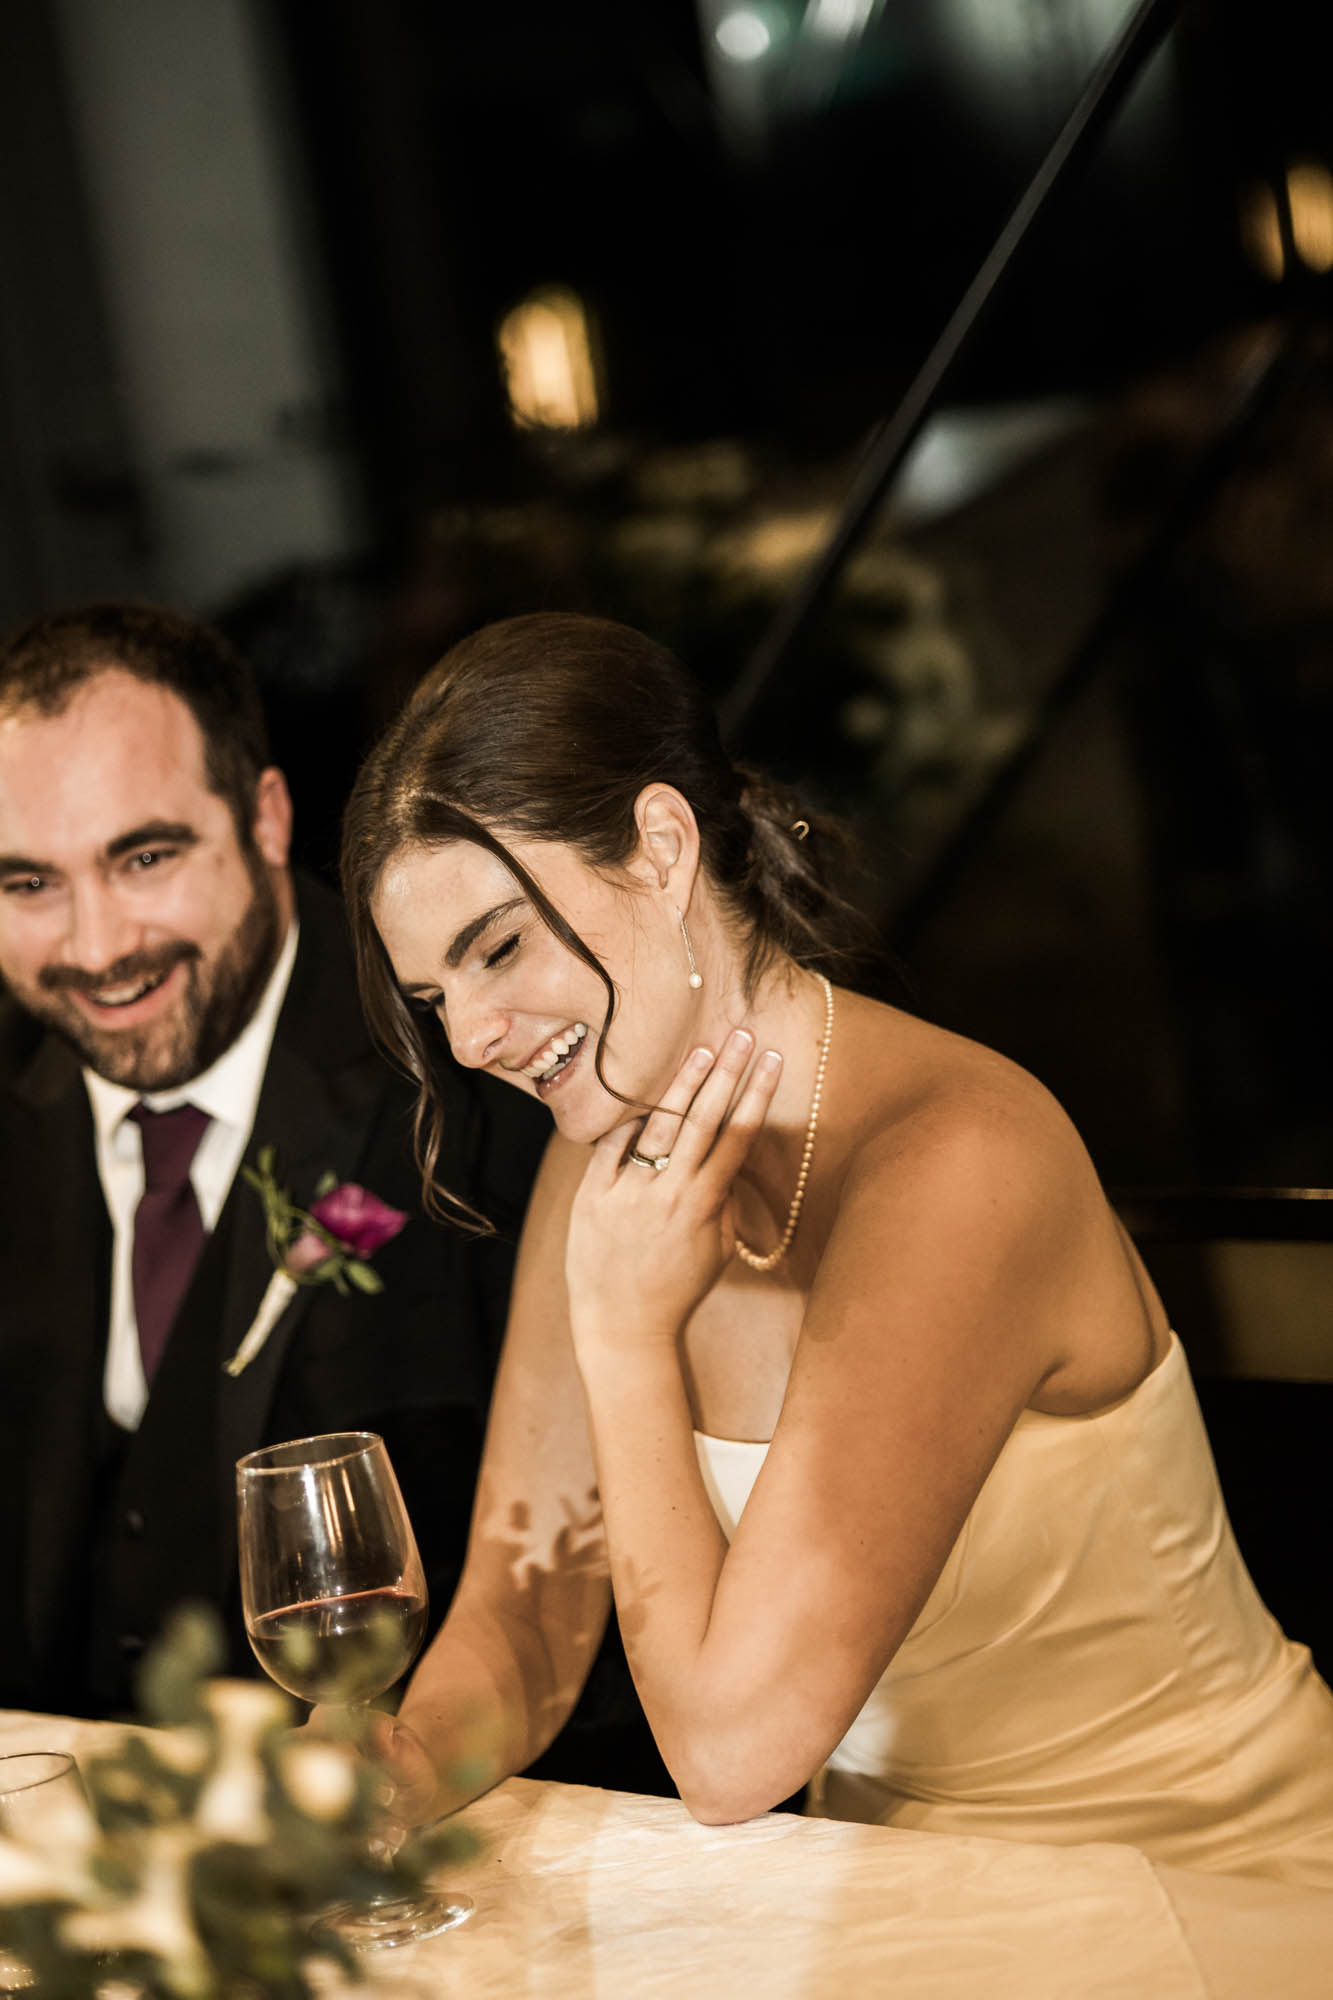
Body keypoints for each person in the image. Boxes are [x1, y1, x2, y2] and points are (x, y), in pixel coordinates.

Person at [340, 609, 1333, 1888]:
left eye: (499, 947)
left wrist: (627, 1333)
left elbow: (731, 1752)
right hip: (881, 1889)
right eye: (434, 997)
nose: (470, 1036)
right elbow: (529, 1612)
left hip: (1190, 1881)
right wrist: (398, 1766)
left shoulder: (959, 1161)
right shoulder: (602, 1171)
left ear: (659, 845)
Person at [0, 600, 555, 1725]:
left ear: (264, 814)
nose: (96, 946)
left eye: (144, 856)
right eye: (26, 884)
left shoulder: (471, 1074)